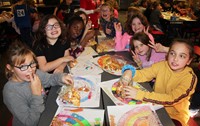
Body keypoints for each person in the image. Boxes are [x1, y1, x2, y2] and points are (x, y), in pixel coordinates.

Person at [121, 38, 197, 126]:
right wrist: (130, 72)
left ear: (189, 61)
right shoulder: (162, 65)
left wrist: (139, 94)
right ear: (168, 54)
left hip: (174, 116)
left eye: (182, 56)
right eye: (172, 53)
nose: (175, 59)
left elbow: (171, 98)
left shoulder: (190, 78)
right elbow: (145, 74)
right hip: (154, 105)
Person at [3, 40, 74, 126]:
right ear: (10, 68)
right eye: (23, 67)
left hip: (45, 112)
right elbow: (30, 122)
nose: (30, 70)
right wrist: (36, 94)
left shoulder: (34, 72)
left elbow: (50, 78)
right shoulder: (11, 92)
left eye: (32, 63)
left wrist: (61, 77)